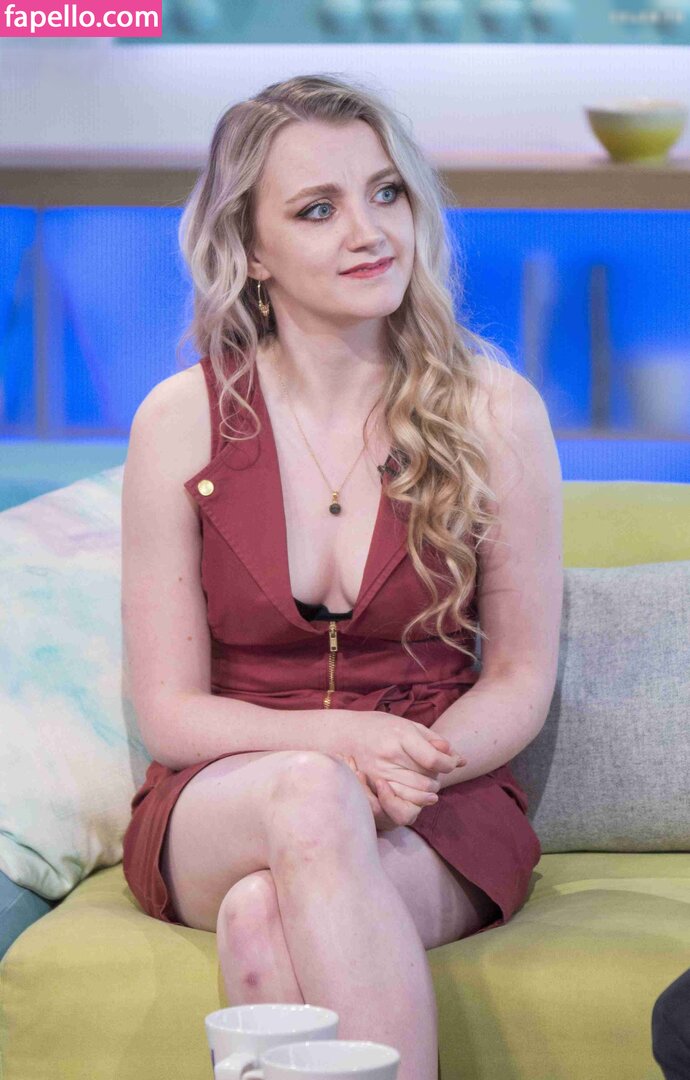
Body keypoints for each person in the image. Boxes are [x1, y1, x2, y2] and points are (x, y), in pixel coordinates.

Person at [121, 74, 563, 1080]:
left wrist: (413, 762)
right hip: (228, 792)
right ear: (252, 249)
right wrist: (339, 746)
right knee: (310, 795)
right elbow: (172, 714)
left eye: (386, 192)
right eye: (317, 210)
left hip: (436, 794)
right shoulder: (179, 420)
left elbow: (519, 677)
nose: (369, 232)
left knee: (262, 917)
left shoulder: (495, 412)